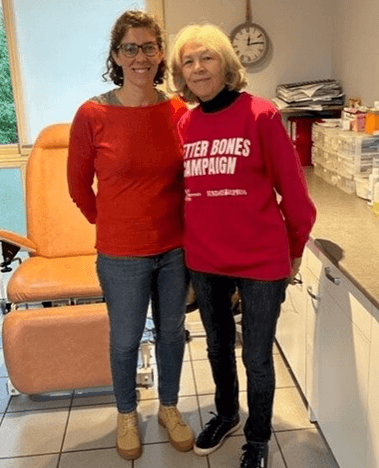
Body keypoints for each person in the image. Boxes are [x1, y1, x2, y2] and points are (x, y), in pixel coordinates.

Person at [170, 24, 316, 468]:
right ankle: (229, 414)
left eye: (207, 58)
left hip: (260, 260)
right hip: (206, 259)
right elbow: (184, 194)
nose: (198, 68)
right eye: (188, 61)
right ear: (181, 73)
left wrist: (292, 252)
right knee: (216, 346)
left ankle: (257, 438)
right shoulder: (185, 123)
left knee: (256, 355)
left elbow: (296, 197)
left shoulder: (261, 115)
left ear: (226, 64)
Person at [67, 10, 194, 461]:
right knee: (124, 339)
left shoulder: (178, 111)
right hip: (121, 254)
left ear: (160, 54)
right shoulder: (92, 114)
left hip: (175, 248)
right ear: (116, 56)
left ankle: (170, 407)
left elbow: (189, 180)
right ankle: (126, 414)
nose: (140, 57)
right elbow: (78, 186)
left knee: (173, 334)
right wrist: (111, 223)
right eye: (130, 48)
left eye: (149, 47)